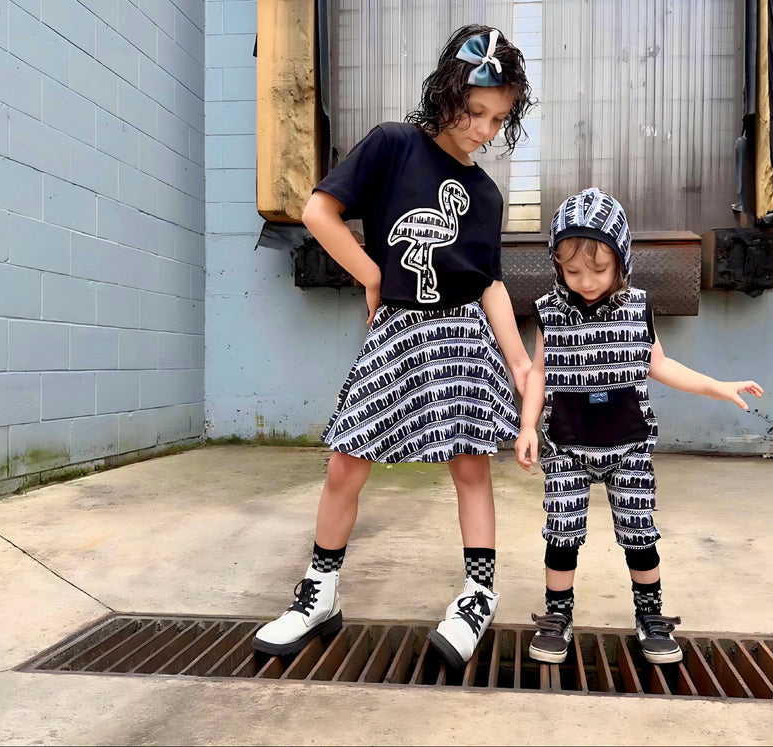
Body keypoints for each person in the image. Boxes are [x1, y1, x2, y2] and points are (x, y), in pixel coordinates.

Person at [252, 25, 535, 670]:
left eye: (498, 119)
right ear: (447, 93)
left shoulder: (486, 195)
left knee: (471, 468)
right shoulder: (392, 145)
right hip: (397, 329)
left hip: (463, 337)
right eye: (475, 110)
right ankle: (319, 593)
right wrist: (372, 275)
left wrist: (519, 362)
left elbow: (488, 282)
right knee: (345, 461)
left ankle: (478, 597)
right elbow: (319, 211)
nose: (484, 129)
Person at [515, 188, 764, 665]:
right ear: (557, 265)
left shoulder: (637, 308)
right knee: (561, 533)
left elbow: (661, 365)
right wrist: (527, 426)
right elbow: (540, 372)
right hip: (566, 444)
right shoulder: (550, 311)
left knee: (639, 533)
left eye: (599, 270)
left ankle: (650, 616)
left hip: (628, 444)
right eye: (572, 272)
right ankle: (557, 616)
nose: (586, 282)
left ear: (621, 260)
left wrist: (716, 386)